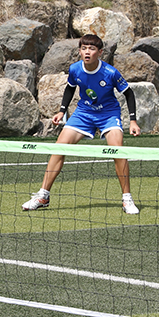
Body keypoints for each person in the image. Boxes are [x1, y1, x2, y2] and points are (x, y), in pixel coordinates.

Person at [22, 33, 142, 215]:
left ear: (100, 52)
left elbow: (129, 93)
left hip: (108, 114)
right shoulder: (75, 69)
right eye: (84, 48)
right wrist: (62, 111)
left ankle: (127, 198)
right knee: (59, 148)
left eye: (92, 49)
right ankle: (43, 196)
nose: (87, 52)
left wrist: (132, 121)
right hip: (84, 113)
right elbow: (70, 88)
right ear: (79, 51)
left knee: (117, 150)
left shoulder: (110, 73)